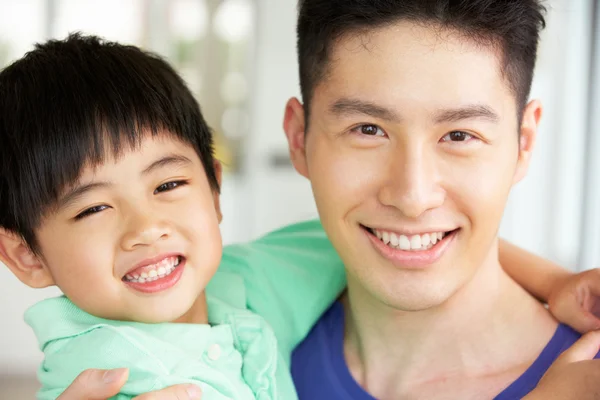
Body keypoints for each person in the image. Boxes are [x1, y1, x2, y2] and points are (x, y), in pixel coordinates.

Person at [4, 30, 599, 400]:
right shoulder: (116, 377)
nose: (147, 228)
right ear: (26, 254)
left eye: (168, 183)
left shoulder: (242, 283)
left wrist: (556, 282)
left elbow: (382, 237)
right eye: (93, 208)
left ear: (213, 188)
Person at [285, 0, 600, 399]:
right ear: (299, 138)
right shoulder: (238, 352)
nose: (412, 198)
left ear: (524, 144)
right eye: (368, 129)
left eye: (459, 136)